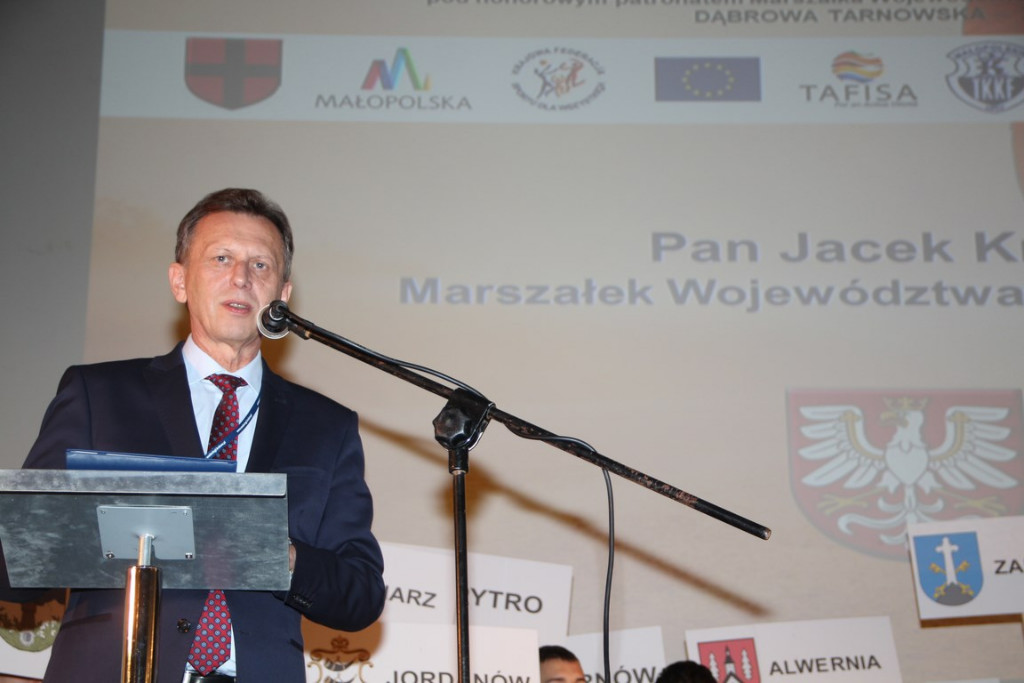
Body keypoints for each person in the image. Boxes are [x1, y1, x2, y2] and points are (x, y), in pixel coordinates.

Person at [0, 188, 386, 683]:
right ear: (179, 281)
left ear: (283, 296)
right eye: (221, 258)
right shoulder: (98, 394)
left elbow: (360, 594)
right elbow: (16, 569)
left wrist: (274, 553)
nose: (241, 277)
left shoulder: (327, 426)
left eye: (261, 265)